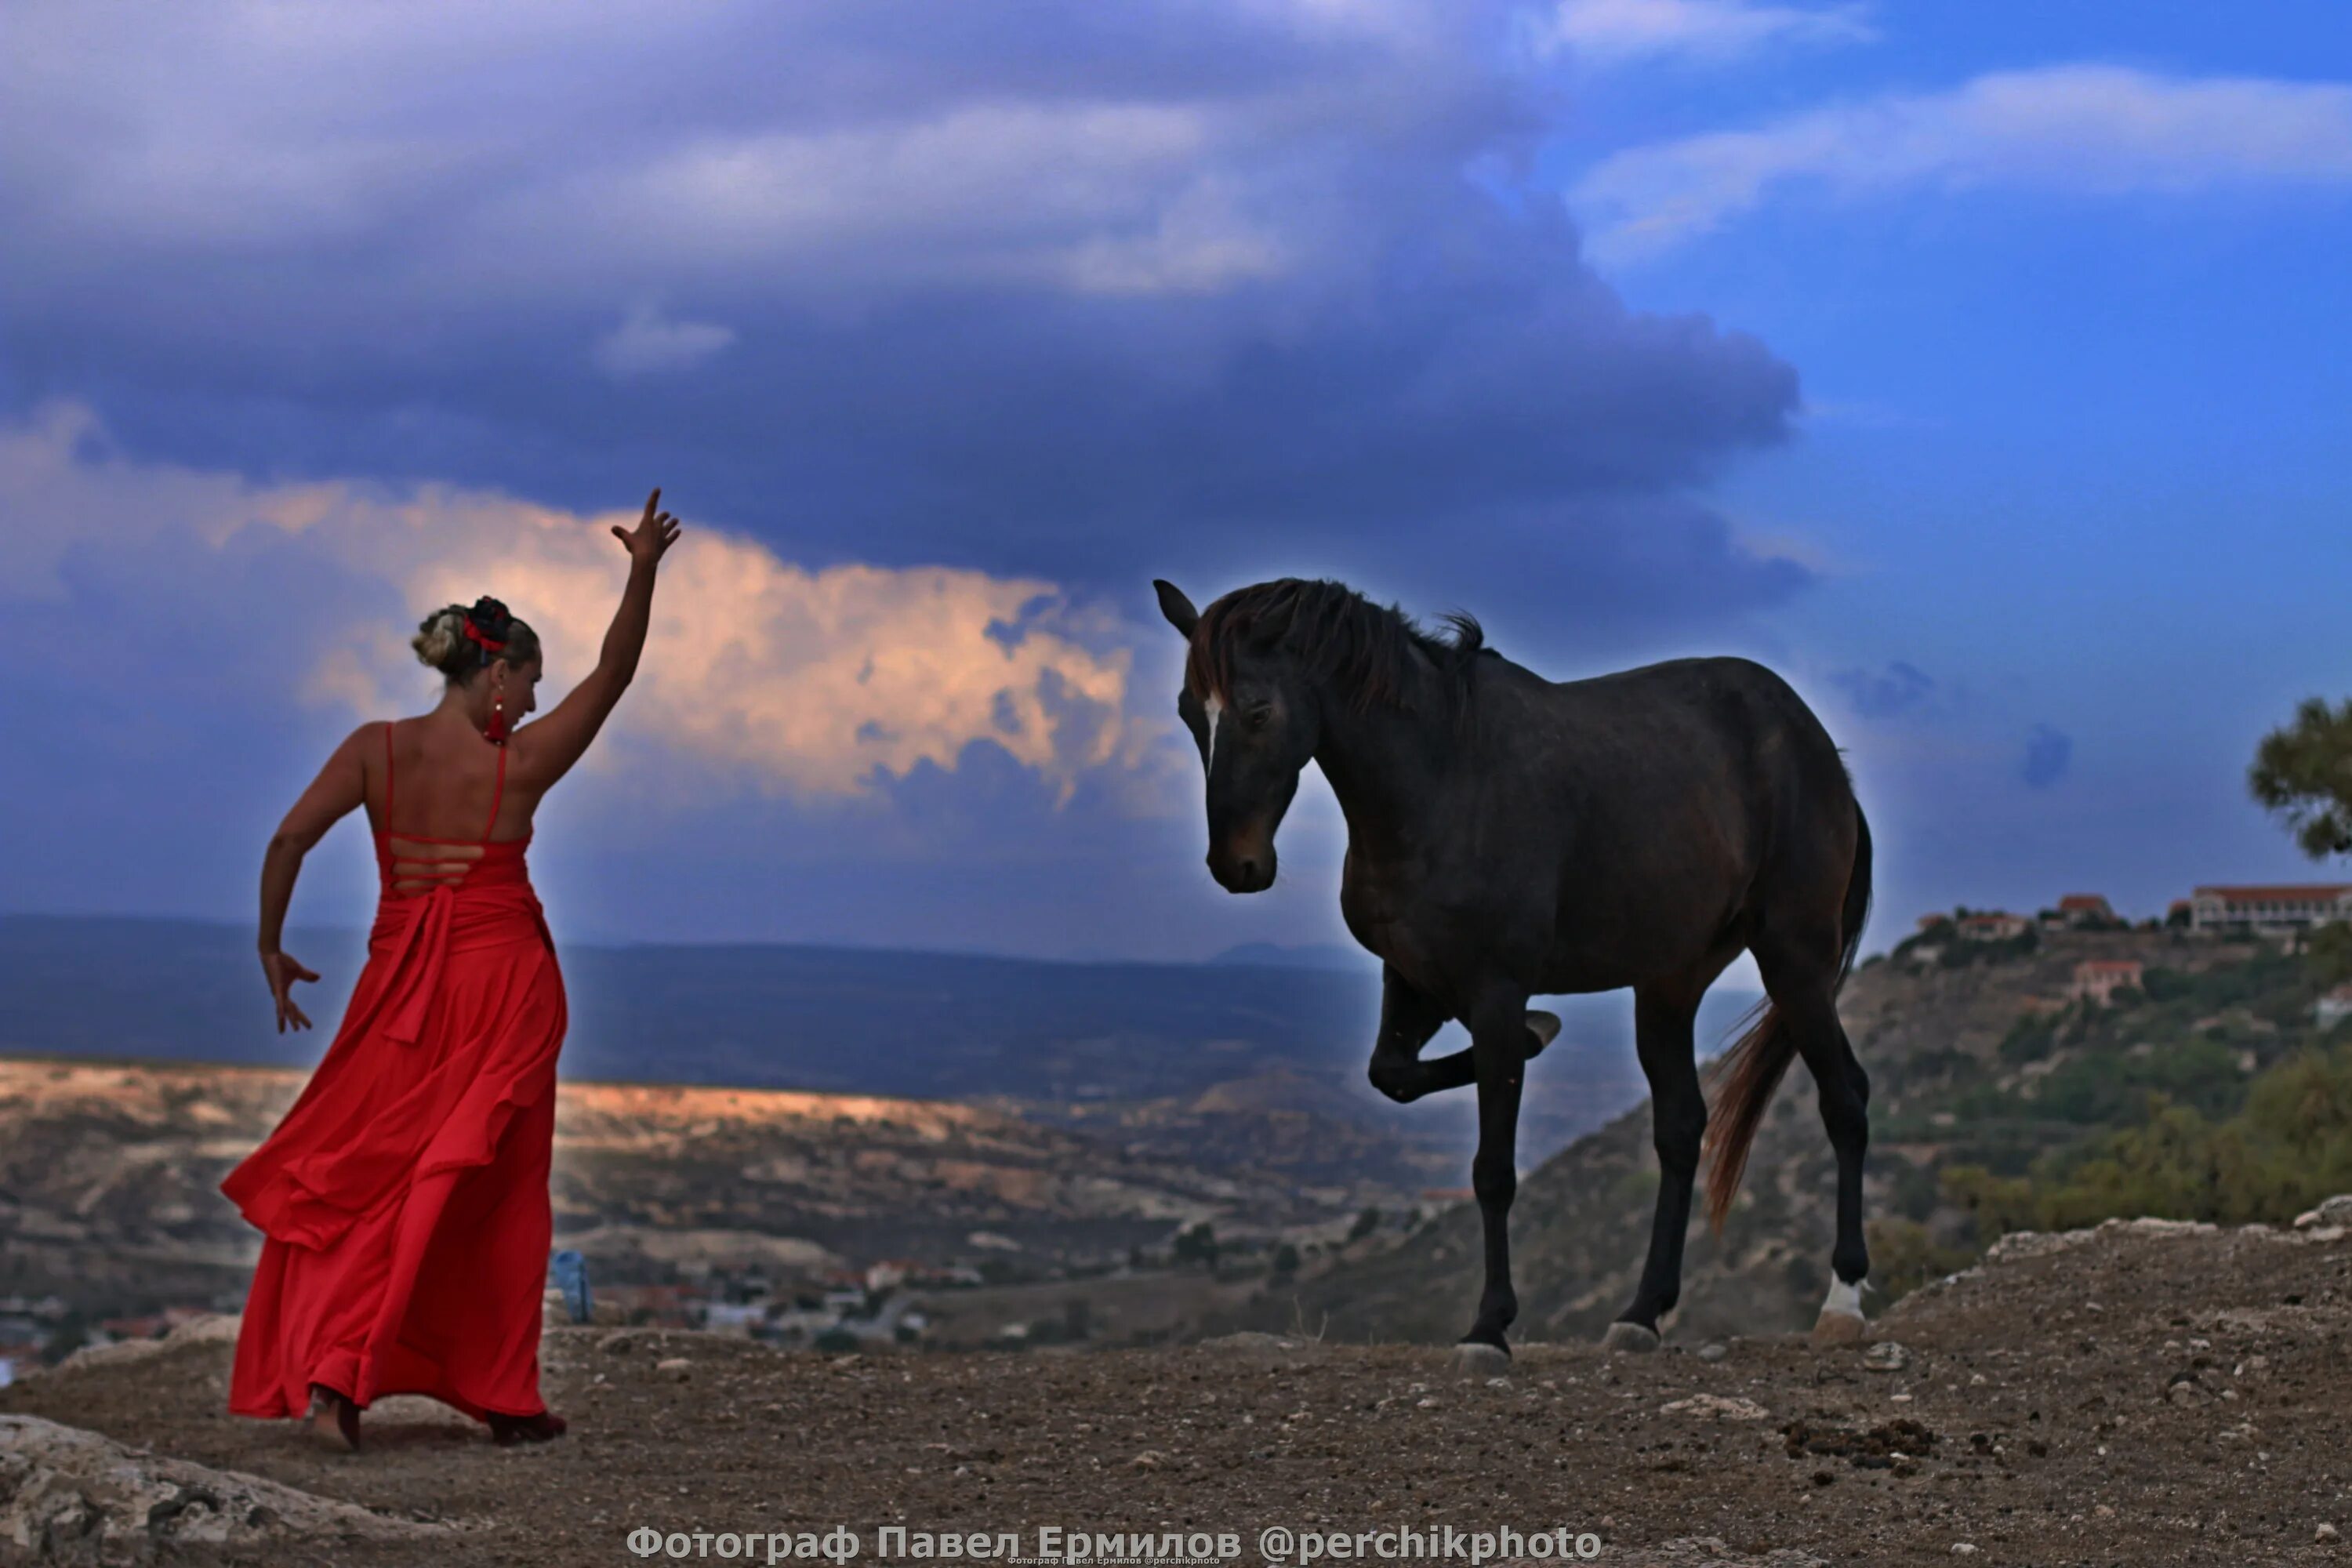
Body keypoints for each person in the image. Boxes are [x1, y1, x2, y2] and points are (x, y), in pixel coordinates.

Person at [222, 489, 682, 1451]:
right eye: (530, 680)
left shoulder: (374, 750)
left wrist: (271, 948)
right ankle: (500, 1395)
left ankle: (338, 1371)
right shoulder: (518, 764)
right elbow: (617, 673)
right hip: (504, 984)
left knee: (372, 1174)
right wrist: (640, 573)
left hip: (399, 993)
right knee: (500, 1188)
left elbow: (286, 838)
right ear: (496, 670)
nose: (537, 699)